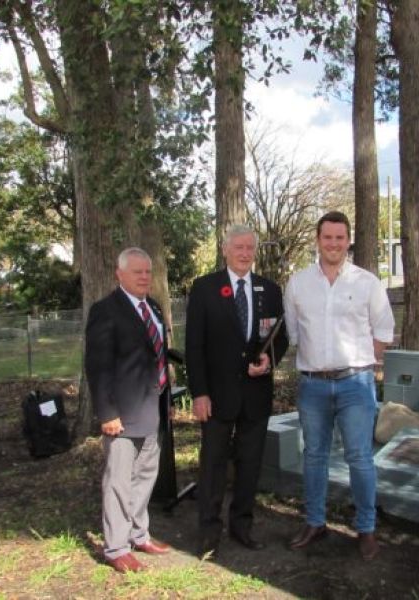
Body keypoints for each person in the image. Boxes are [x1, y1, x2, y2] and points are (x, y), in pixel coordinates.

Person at [283, 211, 394, 560]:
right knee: (313, 456)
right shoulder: (298, 283)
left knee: (359, 457)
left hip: (356, 385)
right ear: (318, 240)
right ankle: (315, 523)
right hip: (313, 385)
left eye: (339, 238)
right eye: (327, 237)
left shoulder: (367, 283)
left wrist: (363, 364)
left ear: (348, 241)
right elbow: (294, 333)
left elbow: (383, 332)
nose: (333, 244)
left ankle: (366, 529)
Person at [185, 224, 289, 557]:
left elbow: (280, 337)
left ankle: (241, 526)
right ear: (225, 249)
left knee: (249, 465)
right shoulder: (204, 289)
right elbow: (194, 347)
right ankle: (208, 531)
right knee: (213, 464)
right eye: (238, 247)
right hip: (216, 397)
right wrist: (199, 393)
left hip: (256, 396)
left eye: (249, 248)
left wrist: (268, 361)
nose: (244, 253)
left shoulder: (270, 290)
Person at [85, 247, 172, 573]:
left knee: (146, 476)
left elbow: (156, 356)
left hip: (152, 409)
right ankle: (116, 548)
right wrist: (106, 413)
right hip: (121, 414)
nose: (144, 277)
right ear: (119, 274)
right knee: (119, 482)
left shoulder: (153, 308)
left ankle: (139, 534)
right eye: (137, 272)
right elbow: (97, 367)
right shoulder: (105, 311)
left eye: (147, 272)